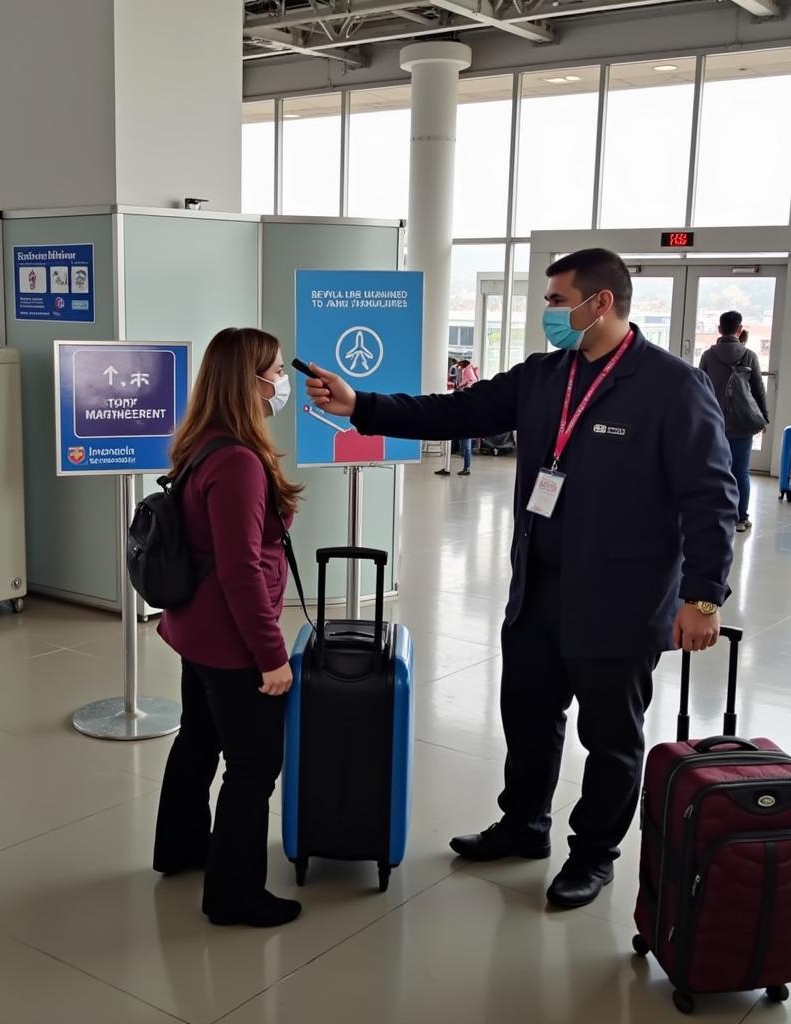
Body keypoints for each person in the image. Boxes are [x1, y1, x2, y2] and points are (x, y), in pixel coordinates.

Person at [306, 248, 738, 910]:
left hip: (620, 602)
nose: (548, 313)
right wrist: (362, 404)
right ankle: (523, 824)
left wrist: (703, 597)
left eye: (557, 301)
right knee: (529, 716)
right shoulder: (544, 376)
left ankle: (593, 854)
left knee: (611, 739)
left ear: (601, 304)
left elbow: (711, 497)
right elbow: (456, 413)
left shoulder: (671, 386)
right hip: (538, 588)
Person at [153, 327, 303, 928]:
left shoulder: (203, 442)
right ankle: (234, 894)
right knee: (253, 765)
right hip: (231, 640)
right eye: (272, 371)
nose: (281, 383)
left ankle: (183, 846)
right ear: (250, 382)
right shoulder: (238, 461)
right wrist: (272, 656)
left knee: (198, 737)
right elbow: (241, 569)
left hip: (194, 630)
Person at [699, 311, 769, 533]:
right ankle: (740, 518)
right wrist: (763, 418)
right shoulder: (749, 355)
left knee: (713, 471)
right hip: (742, 423)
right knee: (741, 472)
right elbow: (758, 390)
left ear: (720, 329)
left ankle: (715, 516)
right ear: (739, 330)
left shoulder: (709, 356)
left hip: (714, 422)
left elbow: (699, 390)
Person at [456, 359, 479, 476]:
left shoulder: (468, 371)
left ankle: (467, 468)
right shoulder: (469, 370)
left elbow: (466, 381)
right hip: (465, 424)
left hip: (466, 425)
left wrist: (460, 385)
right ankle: (466, 467)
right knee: (465, 447)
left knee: (466, 448)